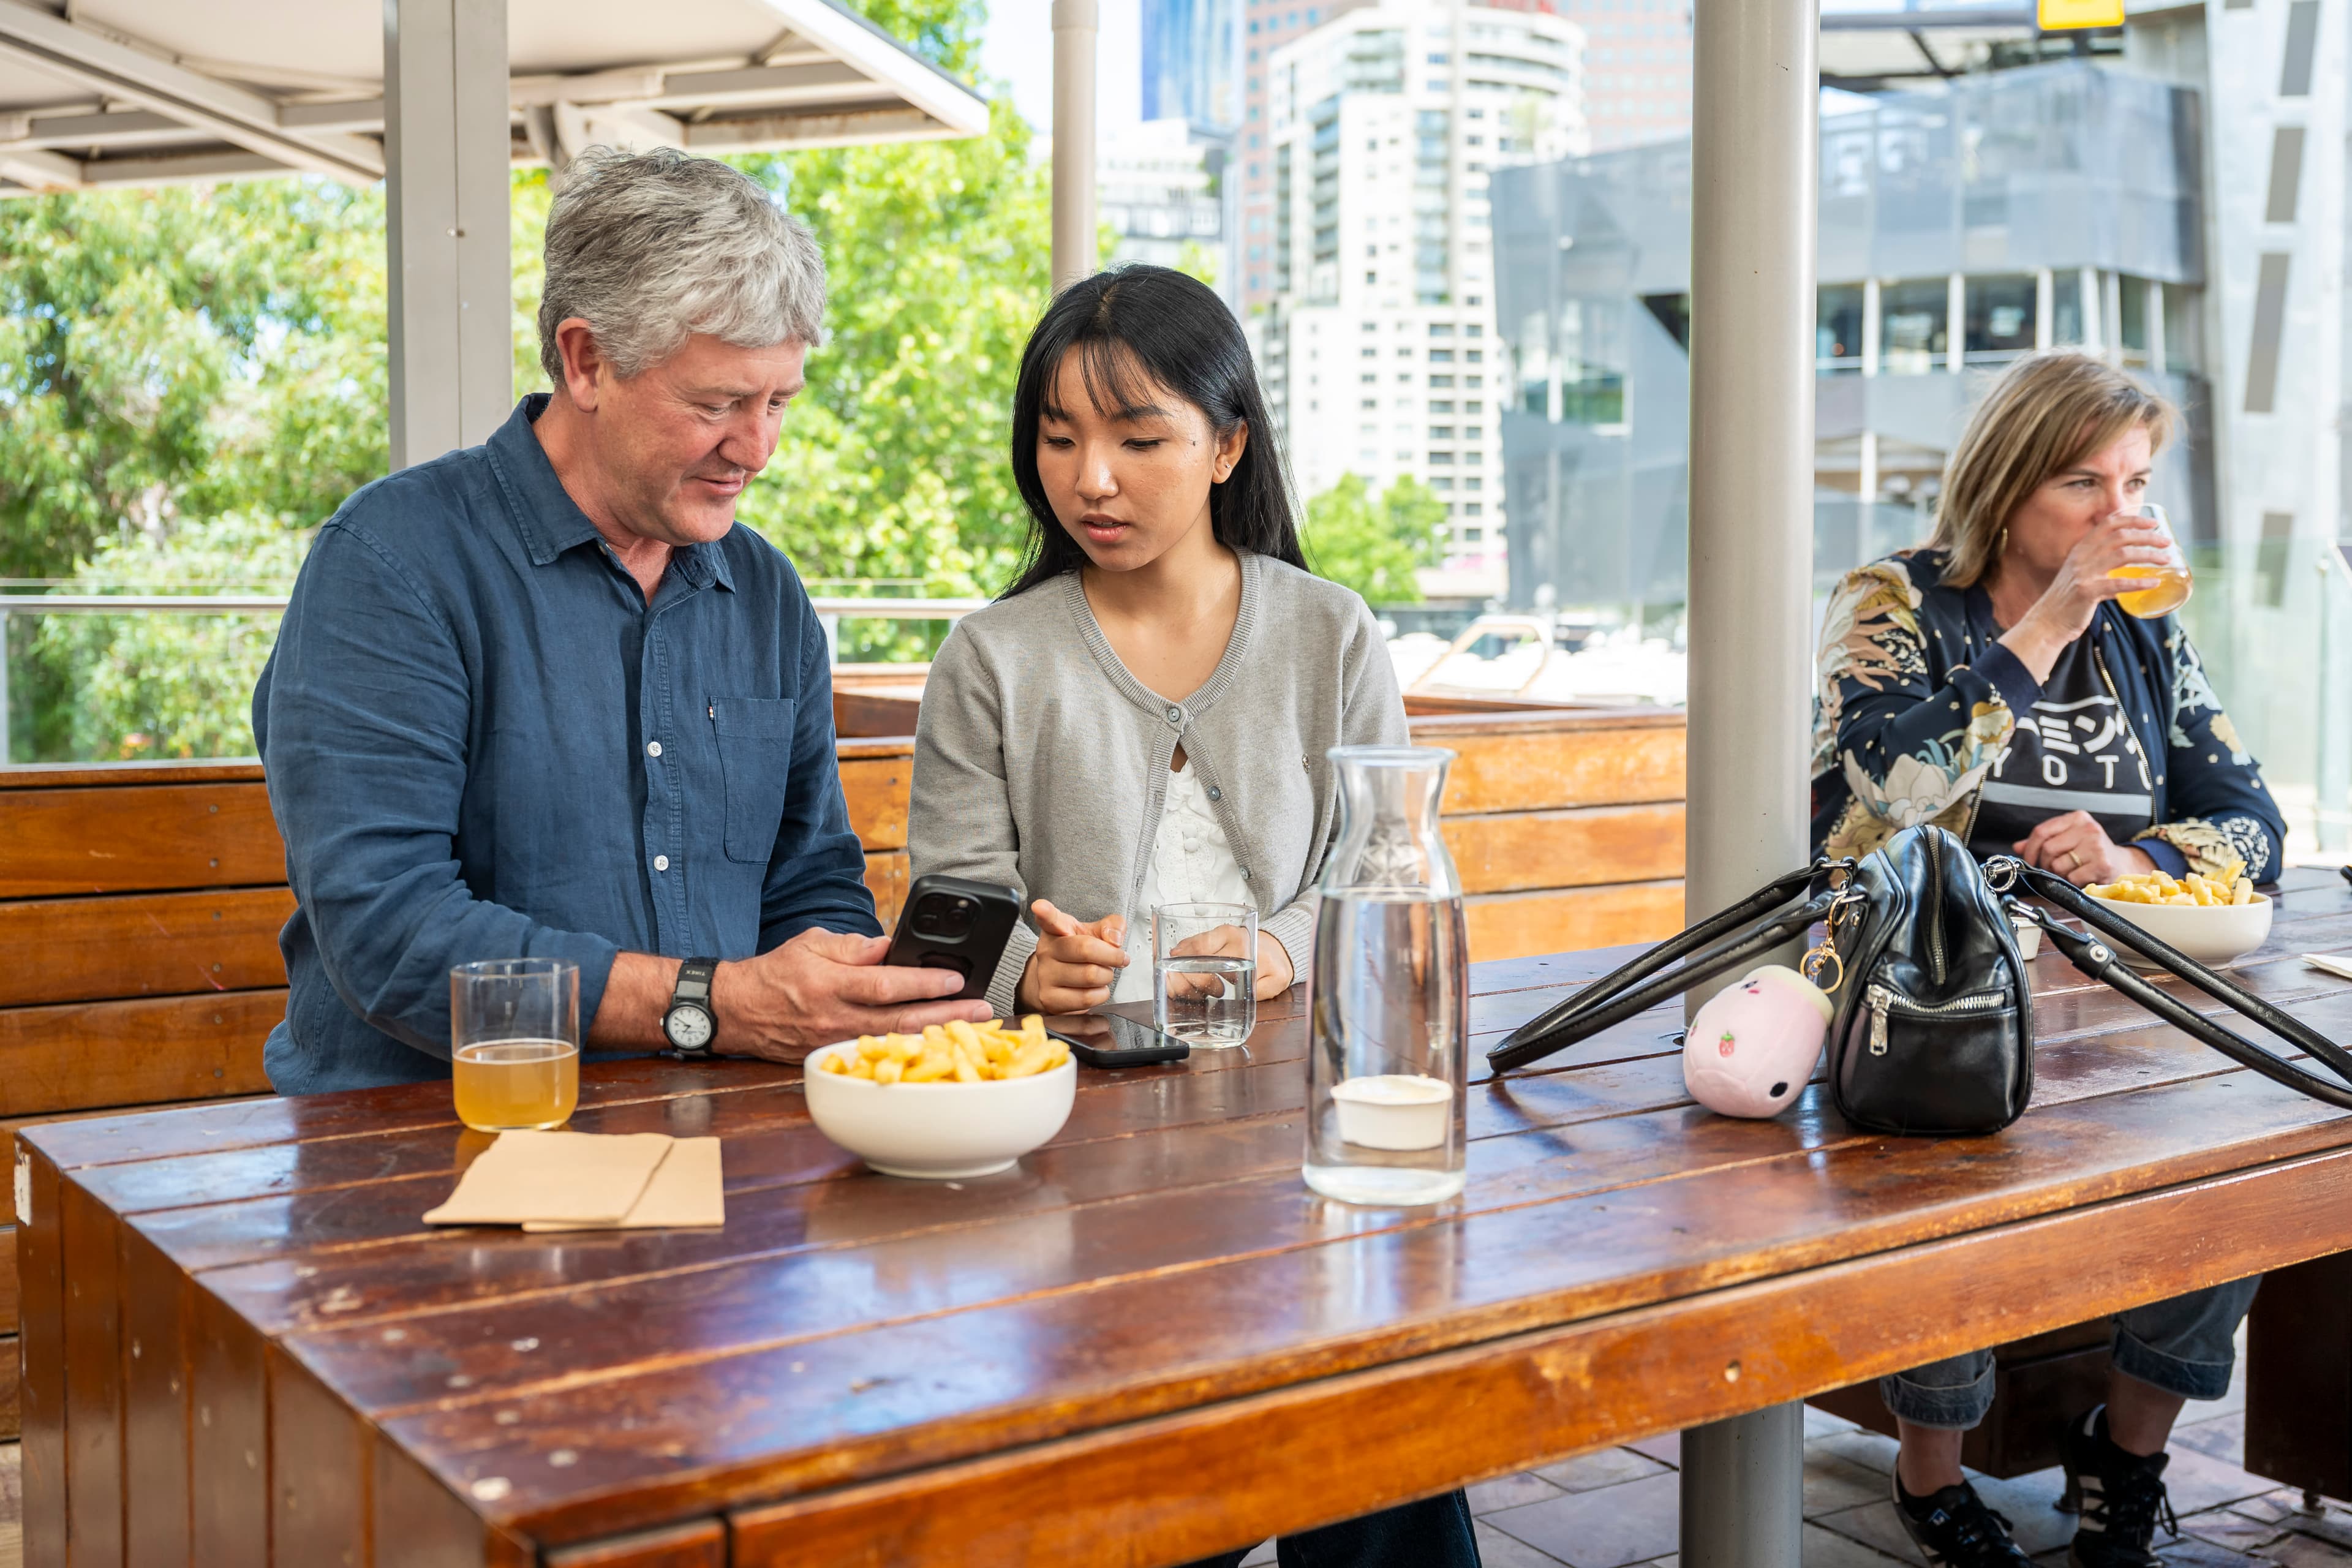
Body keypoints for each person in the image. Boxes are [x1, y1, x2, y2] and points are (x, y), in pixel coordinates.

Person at [907, 265, 1477, 1568]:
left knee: (1374, 1443)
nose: (1090, 476)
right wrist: (1021, 978)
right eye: (1058, 438)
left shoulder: (1331, 633)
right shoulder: (991, 655)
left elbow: (1390, 862)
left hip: (1305, 1133)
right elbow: (954, 906)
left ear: (1227, 445)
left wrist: (1277, 946)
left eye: (1136, 436)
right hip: (1077, 1160)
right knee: (1147, 1499)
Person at [254, 147, 989, 1094]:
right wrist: (711, 1003)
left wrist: (854, 997)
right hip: (426, 1146)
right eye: (718, 403)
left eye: (777, 403)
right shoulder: (390, 565)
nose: (757, 448)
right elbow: (387, 930)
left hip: (718, 1134)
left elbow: (809, 884)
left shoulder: (767, 597)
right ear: (586, 359)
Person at [1811, 350, 2284, 1568]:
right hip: (1939, 1006)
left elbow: (2252, 822)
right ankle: (1931, 1472)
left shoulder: (2149, 633)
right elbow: (1881, 793)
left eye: (2137, 482)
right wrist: (2052, 617)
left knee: (2249, 1154)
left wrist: (2138, 858)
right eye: (2086, 482)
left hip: (2119, 1010)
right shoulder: (1899, 600)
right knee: (1944, 1170)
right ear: (2011, 482)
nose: (2120, 514)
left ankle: (2124, 1453)